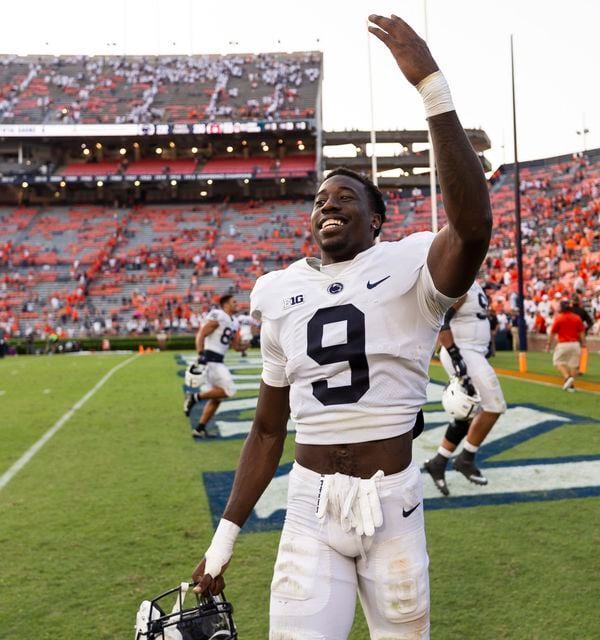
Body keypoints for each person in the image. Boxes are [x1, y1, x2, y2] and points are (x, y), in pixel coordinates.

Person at [190, 16, 492, 639]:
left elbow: (471, 230)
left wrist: (431, 88)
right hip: (309, 504)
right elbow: (269, 429)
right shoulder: (276, 292)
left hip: (394, 502)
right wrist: (224, 539)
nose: (328, 204)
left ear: (379, 220)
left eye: (345, 197)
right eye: (320, 200)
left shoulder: (409, 261)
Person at [423, 282, 507, 493]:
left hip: (472, 351)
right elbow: (442, 322)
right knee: (494, 406)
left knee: (469, 412)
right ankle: (466, 458)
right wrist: (455, 356)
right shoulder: (461, 282)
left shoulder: (474, 284)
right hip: (464, 352)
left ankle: (439, 462)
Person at [183, 294, 240, 439]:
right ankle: (194, 397)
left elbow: (235, 346)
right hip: (210, 359)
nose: (237, 304)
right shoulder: (219, 315)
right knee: (229, 390)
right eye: (234, 302)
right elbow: (202, 333)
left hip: (218, 360)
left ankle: (199, 429)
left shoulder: (234, 322)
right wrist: (201, 353)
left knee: (217, 398)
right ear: (225, 304)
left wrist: (244, 345)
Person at [546, 300, 585, 391]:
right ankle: (571, 385)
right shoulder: (577, 318)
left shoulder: (559, 318)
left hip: (563, 343)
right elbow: (581, 332)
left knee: (557, 361)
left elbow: (552, 333)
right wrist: (584, 343)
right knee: (573, 365)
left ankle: (567, 377)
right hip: (575, 344)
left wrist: (548, 344)